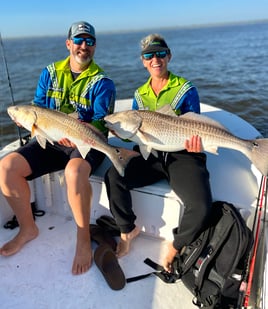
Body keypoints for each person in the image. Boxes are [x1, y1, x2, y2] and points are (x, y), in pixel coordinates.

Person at [0, 21, 116, 275]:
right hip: (49, 137)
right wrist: (25, 118)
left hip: (85, 142)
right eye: (78, 40)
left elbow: (100, 123)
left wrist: (74, 135)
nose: (83, 46)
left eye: (89, 41)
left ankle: (83, 238)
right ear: (68, 44)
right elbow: (38, 106)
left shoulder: (103, 82)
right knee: (6, 167)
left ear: (94, 47)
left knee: (74, 172)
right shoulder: (49, 72)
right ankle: (28, 228)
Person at [104, 33, 212, 272]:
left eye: (160, 53)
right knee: (114, 175)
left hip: (182, 153)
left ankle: (176, 244)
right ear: (143, 61)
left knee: (201, 205)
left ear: (169, 56)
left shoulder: (185, 89)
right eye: (149, 55)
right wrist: (117, 133)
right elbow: (134, 131)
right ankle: (126, 230)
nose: (155, 59)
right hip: (151, 153)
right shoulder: (139, 94)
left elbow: (195, 123)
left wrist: (197, 144)